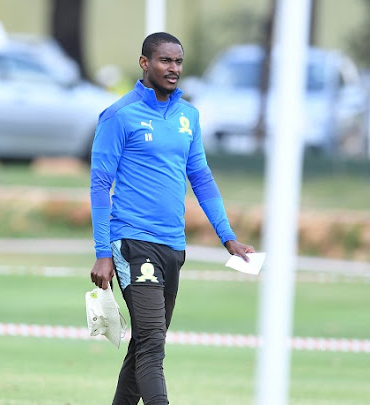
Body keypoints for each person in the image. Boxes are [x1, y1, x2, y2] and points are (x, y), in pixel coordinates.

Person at [89, 32, 255, 405]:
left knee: (147, 344)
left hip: (172, 247)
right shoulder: (119, 115)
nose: (174, 69)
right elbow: (100, 185)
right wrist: (102, 251)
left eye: (178, 61)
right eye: (165, 61)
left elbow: (201, 178)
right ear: (145, 63)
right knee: (151, 346)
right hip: (132, 243)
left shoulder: (188, 116)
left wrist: (227, 236)